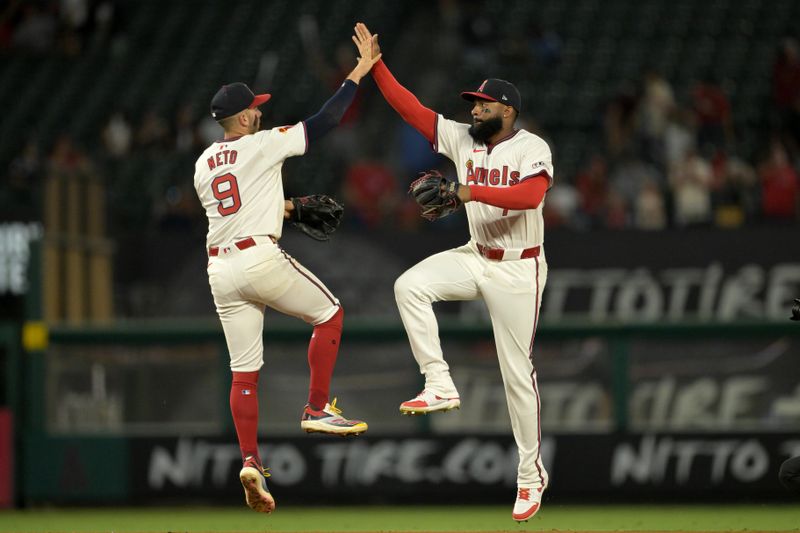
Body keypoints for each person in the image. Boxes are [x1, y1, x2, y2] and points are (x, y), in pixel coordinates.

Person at [353, 23, 553, 522]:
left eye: (483, 104)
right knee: (409, 286)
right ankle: (439, 381)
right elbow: (412, 110)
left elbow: (530, 196)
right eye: (473, 103)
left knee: (516, 375)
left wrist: (469, 192)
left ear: (507, 110)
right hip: (476, 254)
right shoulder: (464, 138)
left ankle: (531, 477)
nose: (474, 109)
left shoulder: (533, 148)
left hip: (519, 269)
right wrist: (377, 65)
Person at [192, 48, 381, 514]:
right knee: (330, 313)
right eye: (254, 107)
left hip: (220, 269)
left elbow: (238, 205)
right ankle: (317, 407)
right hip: (258, 258)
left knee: (244, 371)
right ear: (241, 117)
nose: (260, 110)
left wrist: (292, 208)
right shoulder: (264, 142)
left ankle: (251, 460)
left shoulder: (201, 165)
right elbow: (326, 119)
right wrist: (357, 73)